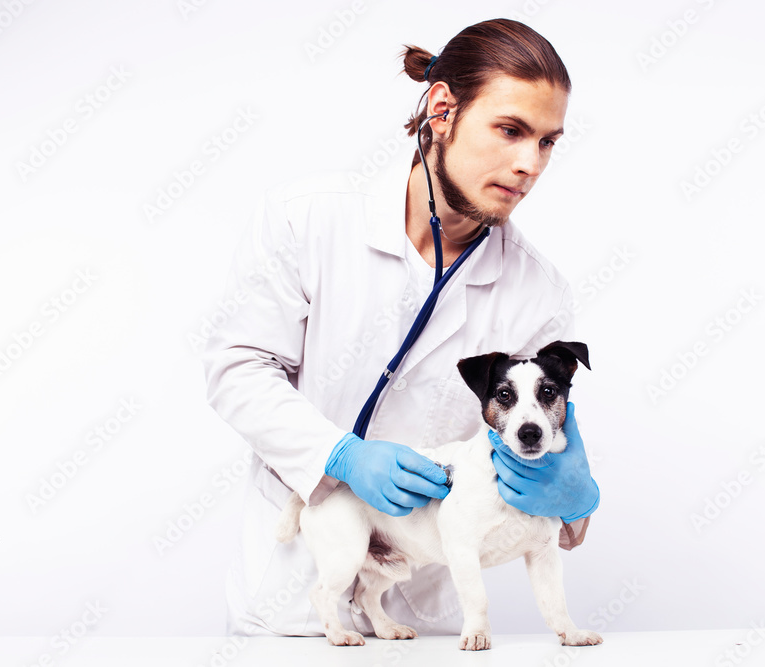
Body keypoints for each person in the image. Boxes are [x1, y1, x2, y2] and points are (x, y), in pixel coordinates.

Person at [202, 17, 600, 638]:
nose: (529, 164)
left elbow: (529, 430)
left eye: (548, 142)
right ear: (442, 110)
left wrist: (568, 497)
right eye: (510, 130)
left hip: (422, 604)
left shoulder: (538, 292)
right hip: (291, 594)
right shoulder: (306, 222)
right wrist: (339, 456)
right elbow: (237, 369)